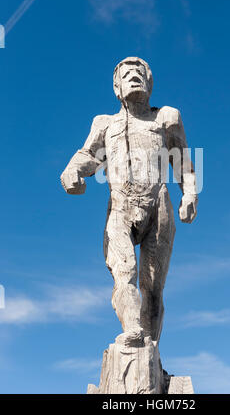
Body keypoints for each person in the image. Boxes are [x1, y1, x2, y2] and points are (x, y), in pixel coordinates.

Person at [61, 57, 198, 345]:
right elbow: (88, 155)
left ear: (150, 83)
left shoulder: (166, 117)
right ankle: (133, 329)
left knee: (153, 287)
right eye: (126, 74)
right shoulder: (104, 123)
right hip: (120, 205)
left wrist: (189, 193)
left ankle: (150, 348)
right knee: (124, 271)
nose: (134, 76)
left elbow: (182, 160)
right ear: (116, 87)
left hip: (158, 204)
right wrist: (72, 171)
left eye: (140, 73)